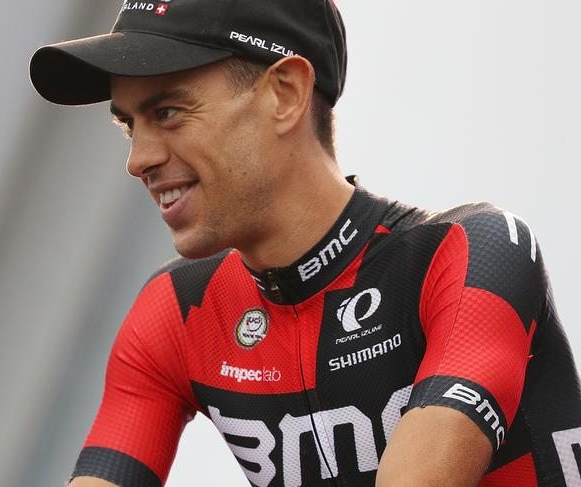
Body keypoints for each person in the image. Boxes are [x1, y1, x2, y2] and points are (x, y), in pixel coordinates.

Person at [30, 1, 581, 486]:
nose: (138, 159)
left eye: (168, 113)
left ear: (286, 93)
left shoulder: (472, 251)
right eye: (130, 126)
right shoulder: (175, 313)